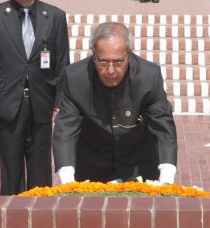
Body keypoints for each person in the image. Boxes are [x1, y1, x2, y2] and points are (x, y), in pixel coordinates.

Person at [52, 22, 178, 185]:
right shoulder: (74, 77)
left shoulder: (149, 76)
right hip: (91, 167)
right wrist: (67, 180)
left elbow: (163, 126)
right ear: (93, 53)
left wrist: (167, 177)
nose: (110, 71)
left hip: (139, 166)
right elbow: (65, 129)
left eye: (118, 62)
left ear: (129, 54)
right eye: (103, 62)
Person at [0, 0, 70, 195]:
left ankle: (40, 213)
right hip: (7, 98)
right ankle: (11, 212)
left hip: (41, 99)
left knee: (40, 163)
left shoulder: (54, 16)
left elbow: (62, 63)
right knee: (10, 163)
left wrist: (60, 101)